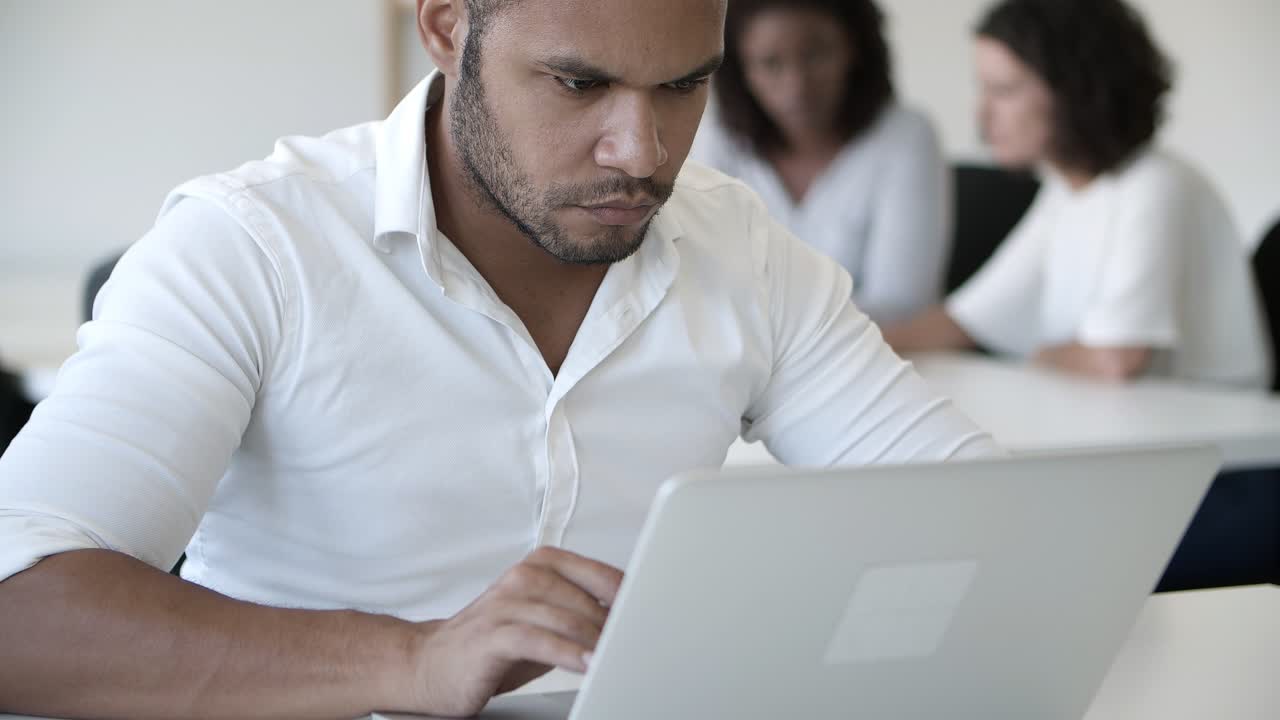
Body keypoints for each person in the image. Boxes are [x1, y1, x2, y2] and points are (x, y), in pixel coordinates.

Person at [0, 1, 999, 717]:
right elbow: (20, 612)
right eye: (579, 82)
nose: (640, 152)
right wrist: (412, 662)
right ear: (445, 27)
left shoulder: (741, 248)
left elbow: (987, 522)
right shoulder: (254, 243)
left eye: (683, 85)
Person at [883, 0, 1272, 388]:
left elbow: (1115, 360)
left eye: (1003, 90)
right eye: (982, 88)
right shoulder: (1066, 194)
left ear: (1074, 91)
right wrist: (846, 347)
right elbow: (963, 321)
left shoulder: (1154, 186)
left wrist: (1041, 354)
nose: (982, 114)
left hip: (1219, 436)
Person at [690, 0, 950, 325]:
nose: (797, 86)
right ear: (740, 69)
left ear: (853, 47)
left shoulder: (906, 136)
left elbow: (902, 305)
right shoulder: (719, 138)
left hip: (870, 362)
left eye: (816, 54)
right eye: (771, 63)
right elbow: (696, 284)